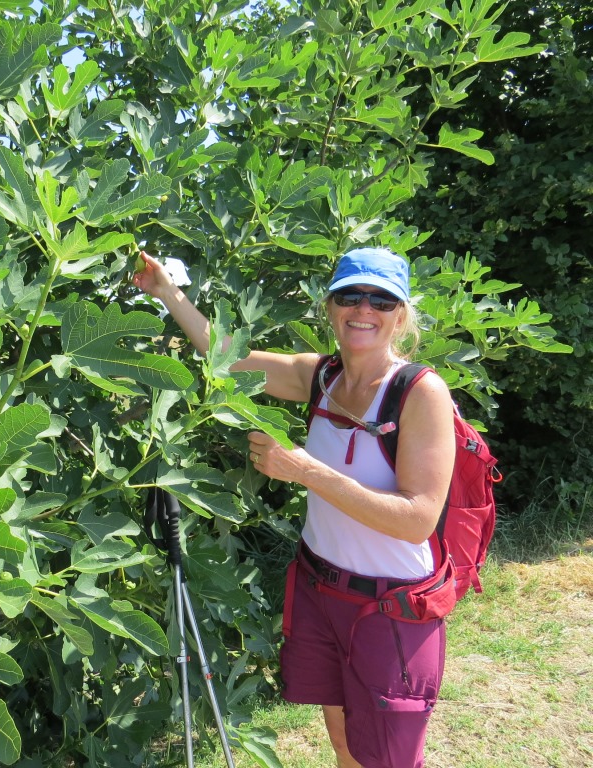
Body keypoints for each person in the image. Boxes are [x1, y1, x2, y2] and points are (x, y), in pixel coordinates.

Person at [132, 247, 456, 768]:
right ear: (330, 306)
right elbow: (227, 356)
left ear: (400, 315)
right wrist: (169, 292)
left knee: (389, 759)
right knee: (345, 743)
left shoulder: (420, 393)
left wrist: (305, 471)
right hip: (321, 587)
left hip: (390, 607)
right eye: (350, 295)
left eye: (381, 299)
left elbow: (419, 518)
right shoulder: (321, 377)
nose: (363, 309)